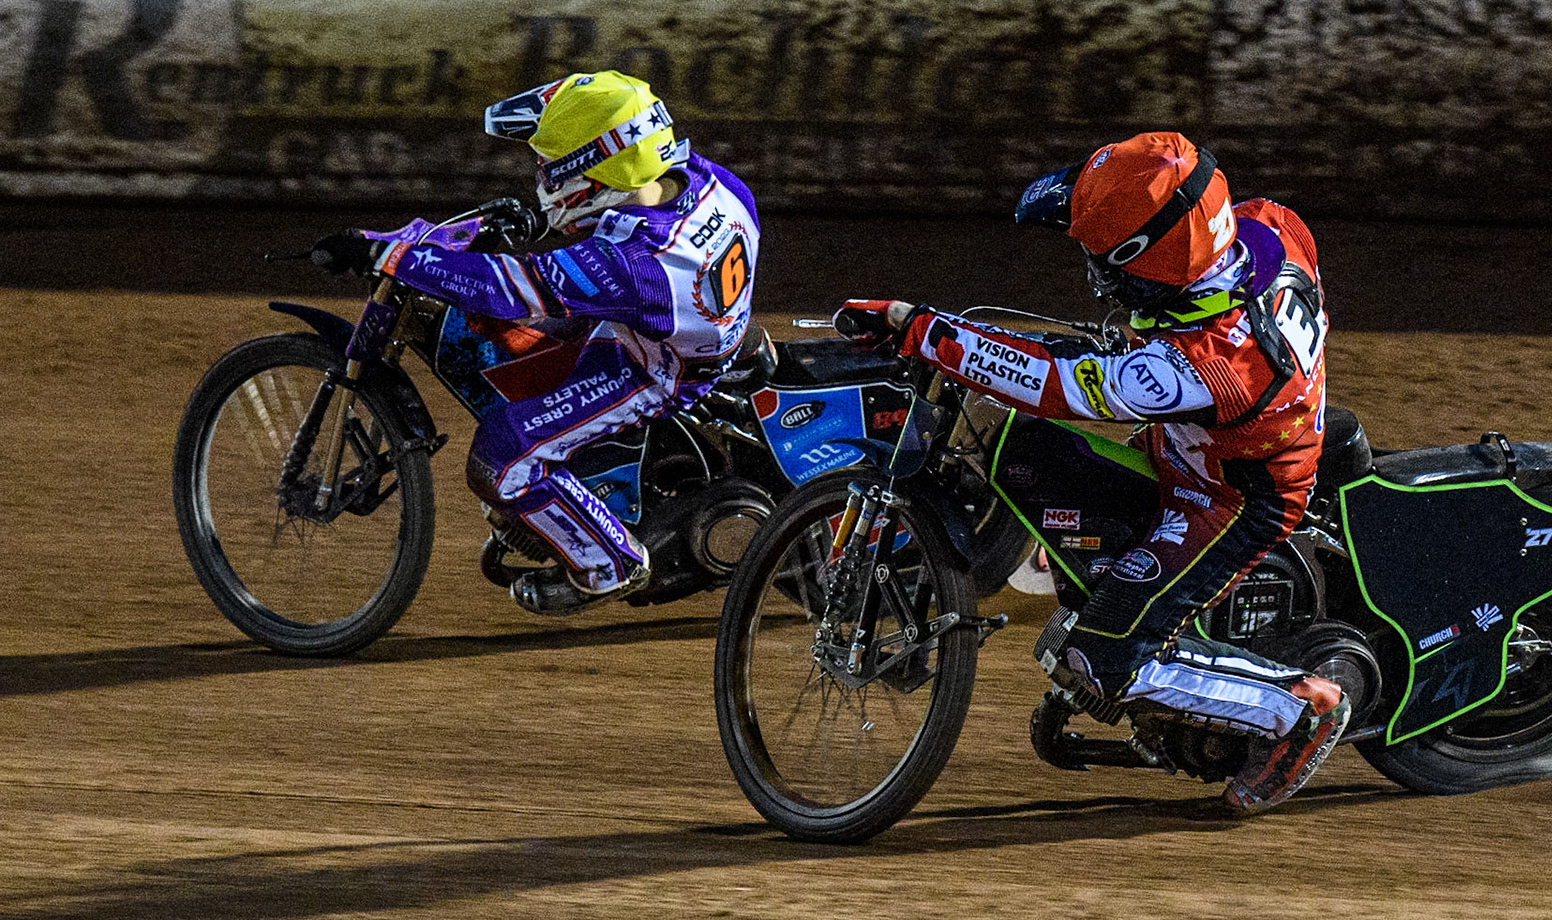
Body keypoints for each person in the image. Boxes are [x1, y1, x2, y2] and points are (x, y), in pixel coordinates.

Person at [835, 131, 1345, 814]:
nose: (1095, 270)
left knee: (1097, 660)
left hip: (1230, 499)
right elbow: (1159, 195)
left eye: (1105, 258)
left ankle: (1298, 710)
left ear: (1149, 258)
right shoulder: (1265, 228)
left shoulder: (1204, 365)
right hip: (1204, 438)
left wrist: (921, 329)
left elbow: (1056, 385)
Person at [323, 70, 760, 616]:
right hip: (679, 326)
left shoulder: (631, 265)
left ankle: (609, 565)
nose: (543, 175)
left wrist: (388, 255)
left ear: (597, 167)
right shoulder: (711, 181)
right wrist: (533, 224)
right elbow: (594, 240)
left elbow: (504, 289)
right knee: (520, 342)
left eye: (553, 164)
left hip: (654, 371)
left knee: (503, 455)